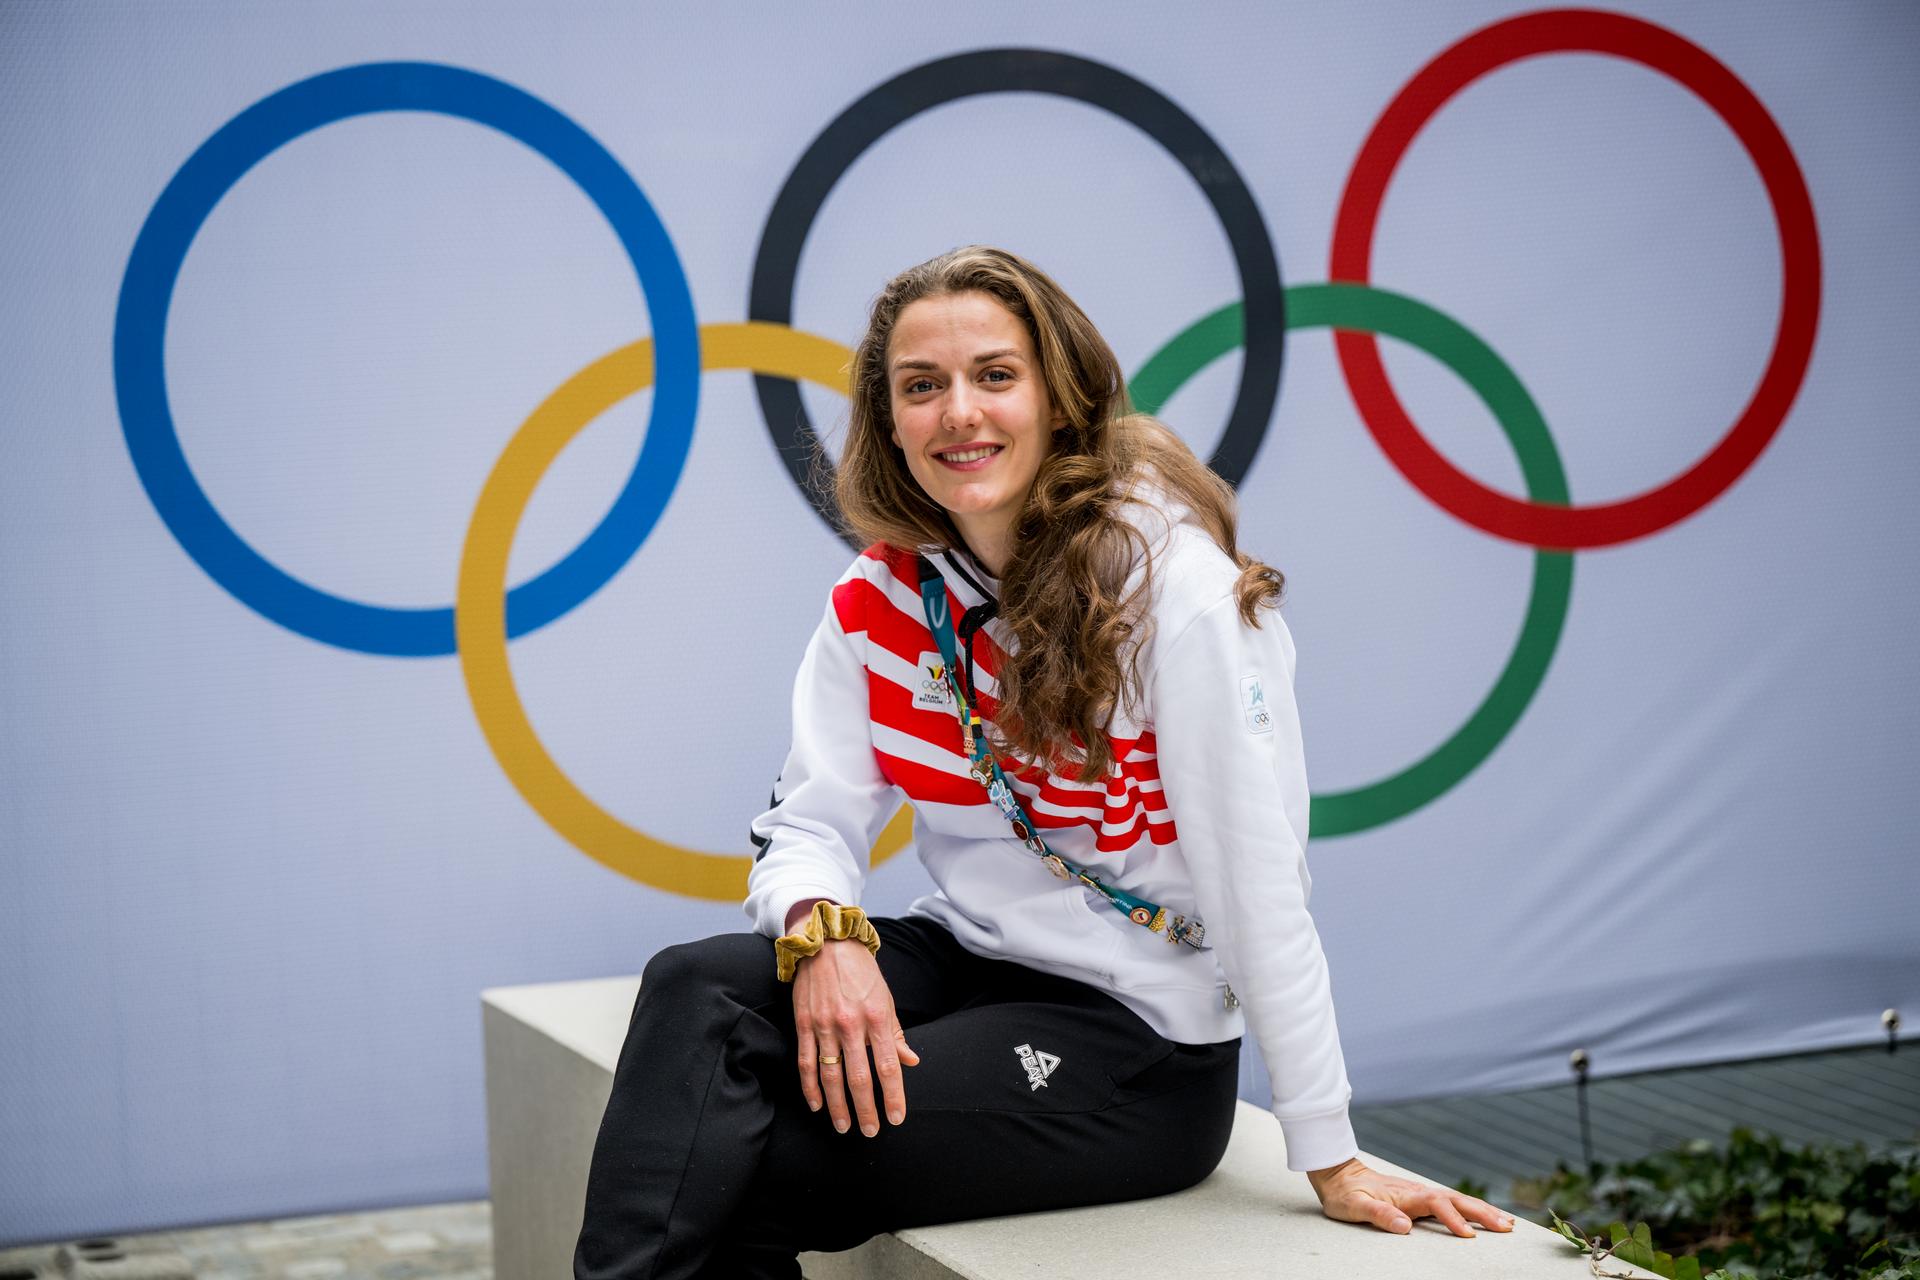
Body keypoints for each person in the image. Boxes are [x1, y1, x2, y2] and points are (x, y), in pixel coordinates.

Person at [573, 246, 1513, 1279]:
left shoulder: (1174, 589)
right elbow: (809, 820)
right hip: (972, 961)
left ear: (1060, 397)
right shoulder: (882, 593)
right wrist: (823, 937)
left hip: (1139, 1038)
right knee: (698, 985)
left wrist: (1328, 1147)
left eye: (994, 375)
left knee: (739, 1166)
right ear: (890, 422)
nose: (958, 412)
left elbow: (1260, 882)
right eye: (921, 387)